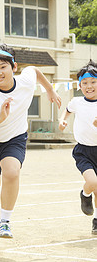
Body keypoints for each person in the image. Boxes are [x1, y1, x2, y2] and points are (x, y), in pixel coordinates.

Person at [0, 44, 61, 241]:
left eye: (3, 67)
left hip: (15, 138)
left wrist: (50, 90)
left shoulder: (26, 81)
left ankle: (5, 221)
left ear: (14, 67)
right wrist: (0, 118)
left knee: (12, 172)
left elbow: (35, 71)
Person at [58, 60, 97, 235]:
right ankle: (85, 194)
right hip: (84, 151)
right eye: (85, 83)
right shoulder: (77, 102)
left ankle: (96, 220)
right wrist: (62, 120)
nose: (89, 86)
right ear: (80, 85)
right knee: (93, 182)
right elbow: (67, 109)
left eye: (93, 82)